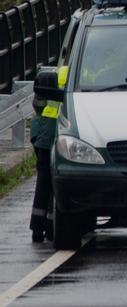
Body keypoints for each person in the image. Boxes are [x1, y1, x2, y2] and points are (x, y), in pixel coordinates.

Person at [29, 66, 66, 242]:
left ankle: (38, 228)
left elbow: (37, 104)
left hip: (42, 134)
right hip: (57, 134)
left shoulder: (55, 72)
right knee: (55, 181)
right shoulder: (75, 73)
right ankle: (51, 228)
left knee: (43, 181)